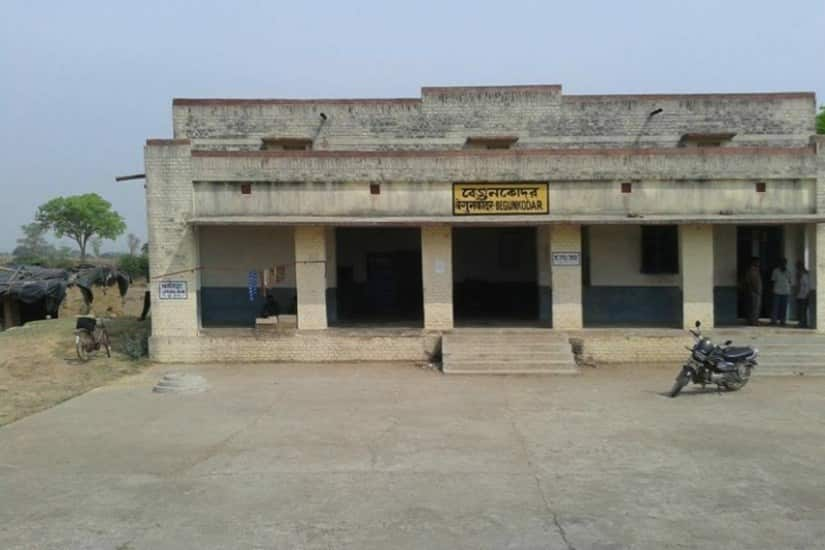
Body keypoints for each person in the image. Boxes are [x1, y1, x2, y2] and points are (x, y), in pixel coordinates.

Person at [770, 258, 792, 325]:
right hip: (777, 291)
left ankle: (783, 321)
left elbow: (789, 281)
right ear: (779, 263)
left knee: (784, 308)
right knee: (775, 307)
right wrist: (772, 290)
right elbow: (773, 281)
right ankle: (774, 320)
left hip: (786, 292)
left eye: (784, 263)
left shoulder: (788, 271)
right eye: (782, 262)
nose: (783, 264)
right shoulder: (775, 271)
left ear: (786, 263)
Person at [745, 258, 762, 326]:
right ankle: (753, 321)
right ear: (753, 262)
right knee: (754, 308)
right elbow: (748, 282)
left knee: (756, 307)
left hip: (758, 292)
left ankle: (754, 320)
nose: (758, 263)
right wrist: (751, 291)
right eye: (757, 262)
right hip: (754, 292)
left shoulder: (757, 270)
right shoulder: (751, 271)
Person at [795, 260, 810, 329]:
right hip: (800, 295)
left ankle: (803, 323)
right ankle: (801, 323)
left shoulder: (805, 275)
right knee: (800, 310)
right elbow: (799, 286)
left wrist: (806, 294)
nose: (797, 269)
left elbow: (806, 286)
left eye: (798, 267)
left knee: (803, 310)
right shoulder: (800, 275)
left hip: (804, 296)